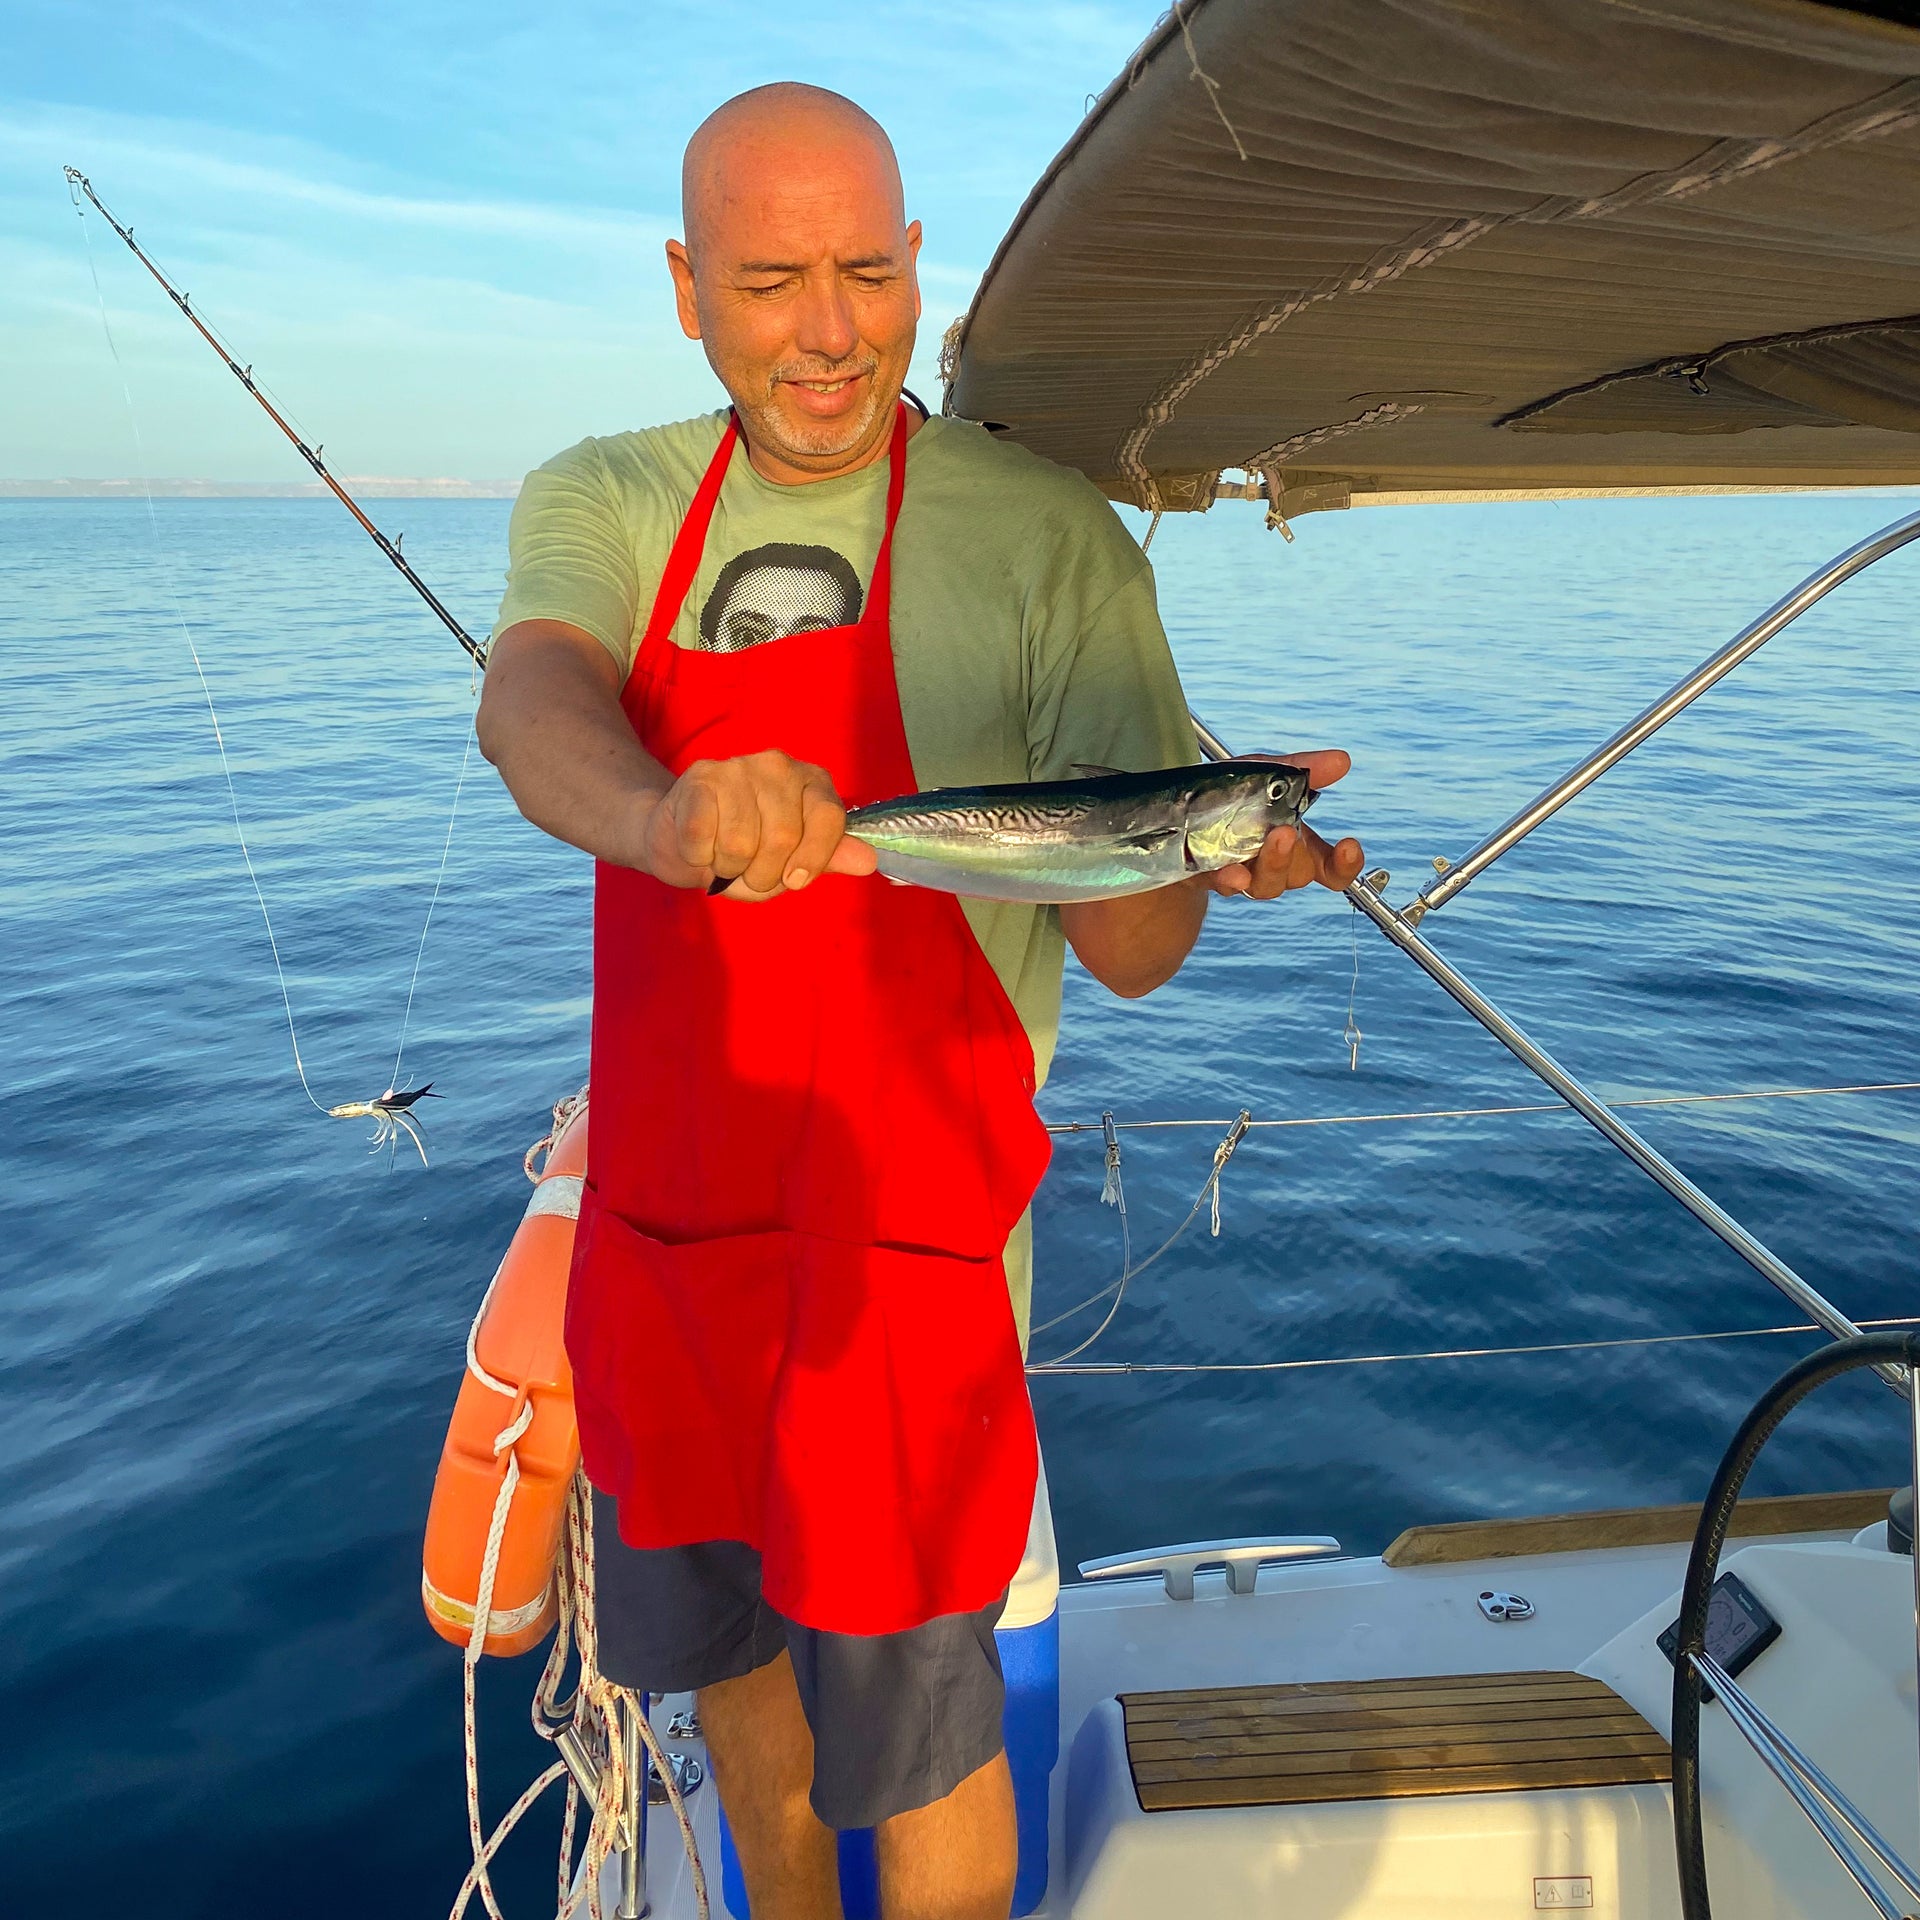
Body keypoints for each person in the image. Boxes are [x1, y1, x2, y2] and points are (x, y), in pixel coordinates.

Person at [477, 82, 1363, 1920]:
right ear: (686, 287)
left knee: (931, 1726)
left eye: (869, 275)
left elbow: (1130, 947)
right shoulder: (614, 497)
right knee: (736, 1682)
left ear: (915, 268)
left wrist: (1207, 850)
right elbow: (534, 700)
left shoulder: (1052, 542)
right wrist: (667, 813)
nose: (828, 331)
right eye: (774, 278)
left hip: (910, 1259)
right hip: (670, 1232)